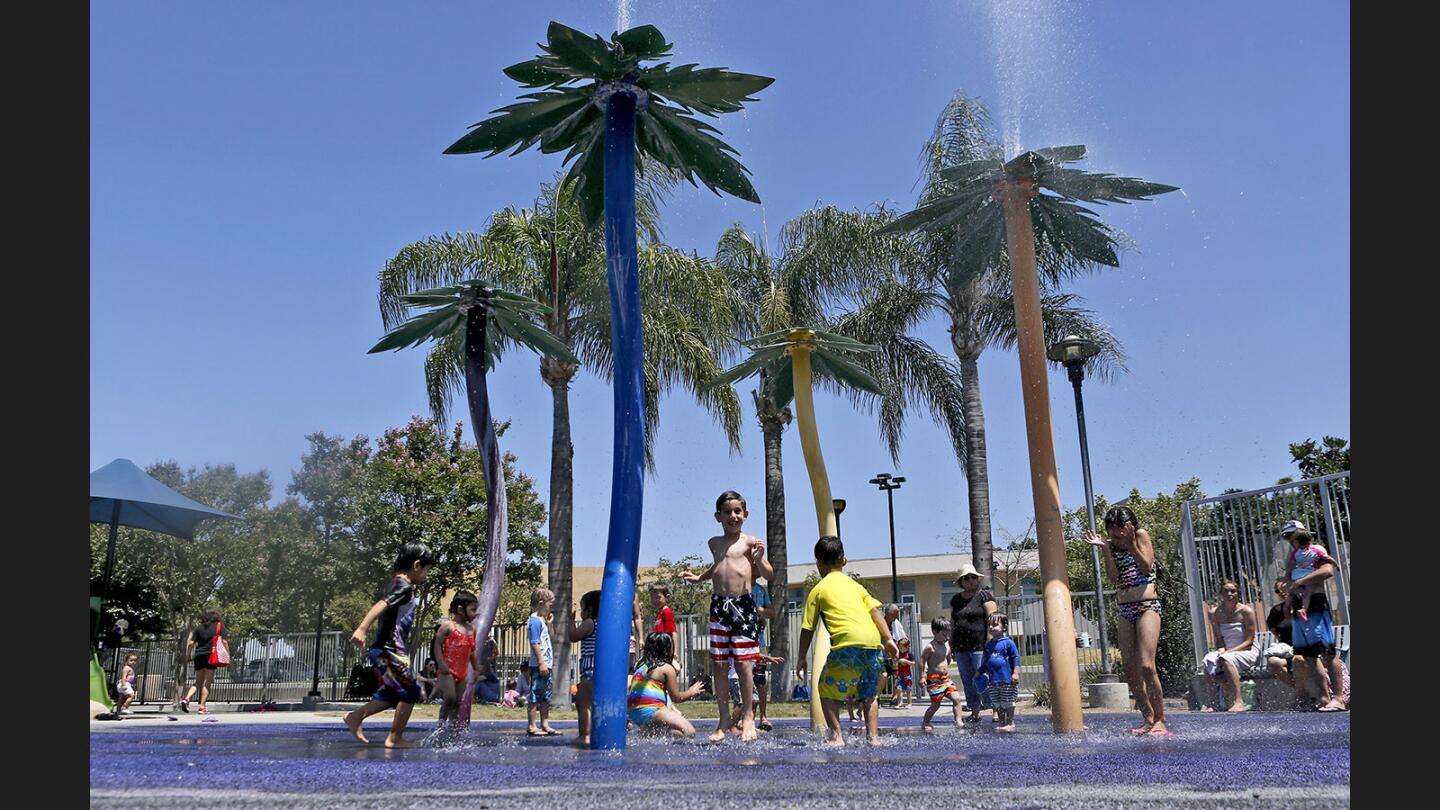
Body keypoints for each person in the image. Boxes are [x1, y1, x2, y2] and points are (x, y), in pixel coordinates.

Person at [680, 490, 774, 742]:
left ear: (745, 514)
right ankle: (722, 719)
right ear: (717, 516)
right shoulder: (714, 543)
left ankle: (748, 716)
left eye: (737, 511)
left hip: (742, 607)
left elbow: (768, 574)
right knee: (719, 665)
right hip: (719, 607)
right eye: (727, 512)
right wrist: (700, 577)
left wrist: (760, 559)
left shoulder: (750, 542)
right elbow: (720, 566)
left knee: (744, 664)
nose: (733, 516)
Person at [795, 535, 899, 746]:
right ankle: (873, 738)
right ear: (844, 561)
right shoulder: (857, 587)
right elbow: (876, 613)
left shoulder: (819, 589)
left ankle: (837, 736)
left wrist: (801, 658)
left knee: (825, 689)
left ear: (818, 562)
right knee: (870, 694)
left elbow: (807, 628)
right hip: (872, 645)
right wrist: (888, 639)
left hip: (846, 645)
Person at [1084, 506, 1169, 737]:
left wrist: (1131, 544)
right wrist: (1105, 550)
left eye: (1119, 529)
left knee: (1146, 665)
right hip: (1125, 608)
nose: (1115, 534)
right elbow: (1113, 578)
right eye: (1111, 530)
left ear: (1130, 526)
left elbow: (1146, 566)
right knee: (1131, 671)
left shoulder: (1140, 535)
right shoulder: (1110, 544)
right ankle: (1148, 719)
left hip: (1147, 606)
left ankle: (1160, 719)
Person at [343, 543, 434, 748]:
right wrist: (362, 628)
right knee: (410, 691)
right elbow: (382, 604)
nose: (427, 575)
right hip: (387, 651)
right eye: (427, 570)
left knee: (394, 695)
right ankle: (394, 738)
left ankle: (356, 717)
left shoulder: (396, 583)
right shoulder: (404, 587)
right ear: (417, 565)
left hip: (386, 651)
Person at [1280, 521, 1345, 712]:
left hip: (1316, 602)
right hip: (1299, 605)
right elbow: (1287, 578)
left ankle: (1339, 698)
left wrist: (1301, 581)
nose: (1290, 539)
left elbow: (1327, 571)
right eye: (1287, 536)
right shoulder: (1293, 555)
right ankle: (1324, 697)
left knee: (1327, 650)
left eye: (1293, 534)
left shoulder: (1316, 549)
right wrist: (1288, 585)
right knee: (1308, 653)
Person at [627, 631, 706, 737]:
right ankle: (648, 733)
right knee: (689, 731)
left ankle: (646, 733)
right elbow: (676, 698)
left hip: (634, 711)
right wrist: (691, 692)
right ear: (667, 649)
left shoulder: (640, 666)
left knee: (678, 734)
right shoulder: (667, 669)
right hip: (653, 709)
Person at [947, 561, 997, 724]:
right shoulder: (956, 600)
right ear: (961, 582)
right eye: (966, 578)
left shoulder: (985, 596)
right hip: (961, 648)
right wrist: (951, 645)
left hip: (980, 646)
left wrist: (990, 638)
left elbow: (993, 618)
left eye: (973, 577)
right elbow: (953, 623)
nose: (970, 580)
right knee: (968, 681)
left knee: (984, 677)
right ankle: (975, 711)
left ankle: (995, 709)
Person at [1201, 580, 1259, 712]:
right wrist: (1222, 650)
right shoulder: (1215, 613)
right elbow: (1219, 639)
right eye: (1226, 591)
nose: (1229, 594)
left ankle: (1239, 701)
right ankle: (1212, 702)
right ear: (1221, 594)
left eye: (1233, 591)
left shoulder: (1246, 611)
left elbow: (1249, 641)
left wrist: (1228, 652)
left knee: (1227, 660)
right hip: (1227, 651)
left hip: (1247, 651)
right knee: (1208, 660)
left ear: (1238, 593)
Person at [432, 589, 478, 733]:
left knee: (458, 701)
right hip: (447, 671)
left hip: (462, 672)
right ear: (460, 609)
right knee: (450, 698)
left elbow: (472, 651)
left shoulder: (471, 629)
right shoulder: (448, 626)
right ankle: (439, 727)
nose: (475, 613)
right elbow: (437, 644)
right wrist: (441, 662)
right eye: (472, 610)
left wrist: (476, 668)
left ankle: (452, 730)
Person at [524, 586, 561, 736]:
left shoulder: (542, 621)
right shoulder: (534, 621)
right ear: (541, 603)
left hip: (546, 664)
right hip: (539, 665)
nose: (551, 608)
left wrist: (550, 624)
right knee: (535, 695)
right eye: (550, 605)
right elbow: (535, 643)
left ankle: (545, 724)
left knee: (545, 695)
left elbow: (551, 637)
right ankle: (532, 725)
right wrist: (541, 663)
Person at [568, 589, 601, 746]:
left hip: (590, 670)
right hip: (601, 670)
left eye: (582, 609)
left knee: (583, 704)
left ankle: (585, 735)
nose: (581, 612)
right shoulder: (605, 623)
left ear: (590, 609)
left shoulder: (590, 623)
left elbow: (573, 636)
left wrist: (570, 620)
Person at [977, 614, 1021, 732]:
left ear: (1004, 628)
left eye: (995, 625)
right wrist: (980, 672)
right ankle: (1002, 722)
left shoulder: (1008, 643)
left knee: (1007, 701)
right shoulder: (988, 645)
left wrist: (1016, 672)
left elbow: (1016, 657)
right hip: (993, 680)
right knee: (997, 702)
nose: (991, 627)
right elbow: (985, 661)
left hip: (1007, 679)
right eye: (989, 625)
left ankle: (1010, 722)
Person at [920, 616, 964, 732]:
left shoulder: (947, 646)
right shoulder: (930, 647)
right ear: (934, 632)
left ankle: (958, 720)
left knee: (956, 698)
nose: (947, 637)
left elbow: (948, 659)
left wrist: (945, 665)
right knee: (936, 705)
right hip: (934, 680)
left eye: (948, 635)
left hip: (945, 679)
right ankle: (926, 721)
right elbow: (922, 660)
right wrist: (923, 676)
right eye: (944, 635)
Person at [179, 607, 225, 716]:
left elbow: (190, 643)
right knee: (207, 682)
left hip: (198, 655)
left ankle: (186, 699)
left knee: (197, 681)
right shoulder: (219, 626)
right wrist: (227, 654)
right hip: (211, 655)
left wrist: (188, 655)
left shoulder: (198, 628)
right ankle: (202, 707)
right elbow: (225, 641)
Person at [751, 577, 782, 731]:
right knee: (746, 680)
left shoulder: (759, 590)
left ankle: (763, 716)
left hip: (759, 643)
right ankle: (748, 716)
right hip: (742, 642)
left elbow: (771, 612)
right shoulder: (738, 587)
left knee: (760, 681)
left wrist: (759, 611)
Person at [881, 604, 907, 699]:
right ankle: (877, 697)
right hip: (882, 654)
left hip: (894, 654)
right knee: (883, 675)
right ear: (888, 614)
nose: (896, 617)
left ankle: (895, 697)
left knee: (898, 675)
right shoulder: (880, 622)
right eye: (895, 614)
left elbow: (902, 637)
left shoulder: (896, 623)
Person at [893, 638, 914, 709]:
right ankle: (900, 702)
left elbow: (913, 663)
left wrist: (905, 661)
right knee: (898, 689)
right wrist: (898, 660)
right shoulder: (899, 654)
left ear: (907, 647)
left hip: (907, 676)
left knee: (908, 690)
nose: (900, 649)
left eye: (901, 647)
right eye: (899, 647)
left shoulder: (909, 654)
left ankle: (910, 703)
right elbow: (895, 661)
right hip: (900, 676)